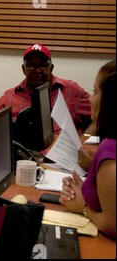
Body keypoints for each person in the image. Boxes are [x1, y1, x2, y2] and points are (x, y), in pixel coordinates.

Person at [60, 59, 116, 238]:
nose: (90, 98)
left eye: (95, 91)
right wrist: (89, 187)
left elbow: (112, 225)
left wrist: (83, 207)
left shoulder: (110, 152)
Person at [0, 44, 94, 136]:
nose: (37, 71)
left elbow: (102, 116)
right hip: (23, 153)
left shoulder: (71, 91)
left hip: (62, 153)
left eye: (43, 65)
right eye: (31, 65)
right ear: (23, 69)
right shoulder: (9, 98)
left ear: (51, 68)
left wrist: (85, 140)